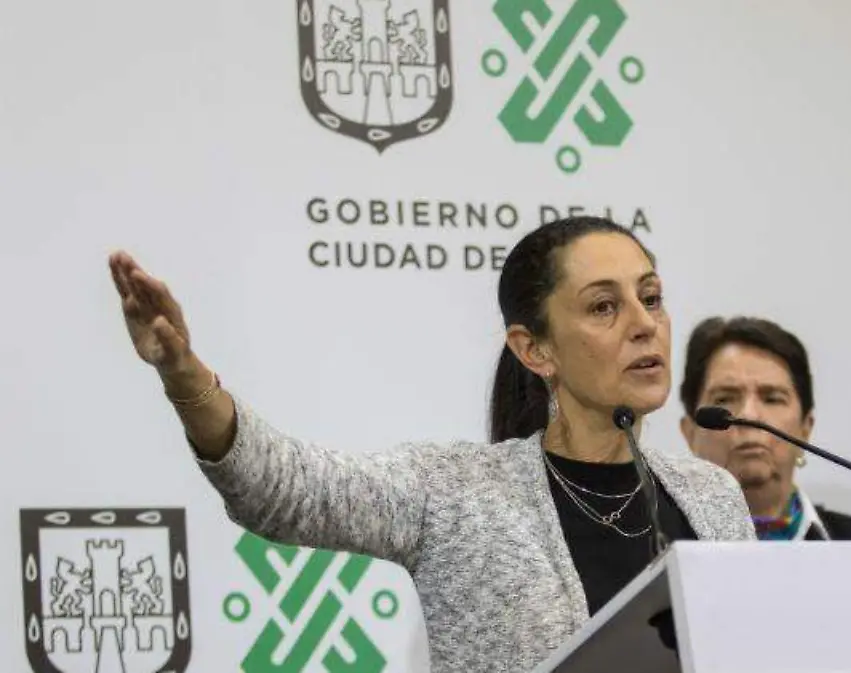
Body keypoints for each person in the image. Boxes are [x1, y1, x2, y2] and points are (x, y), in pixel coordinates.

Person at [107, 216, 754, 673]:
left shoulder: (712, 495)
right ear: (535, 349)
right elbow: (282, 489)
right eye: (604, 307)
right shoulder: (459, 494)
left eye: (651, 298)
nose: (644, 325)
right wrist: (184, 376)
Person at [678, 316, 851, 541]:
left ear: (805, 429)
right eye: (725, 399)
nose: (749, 415)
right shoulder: (660, 552)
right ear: (690, 432)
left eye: (772, 399)